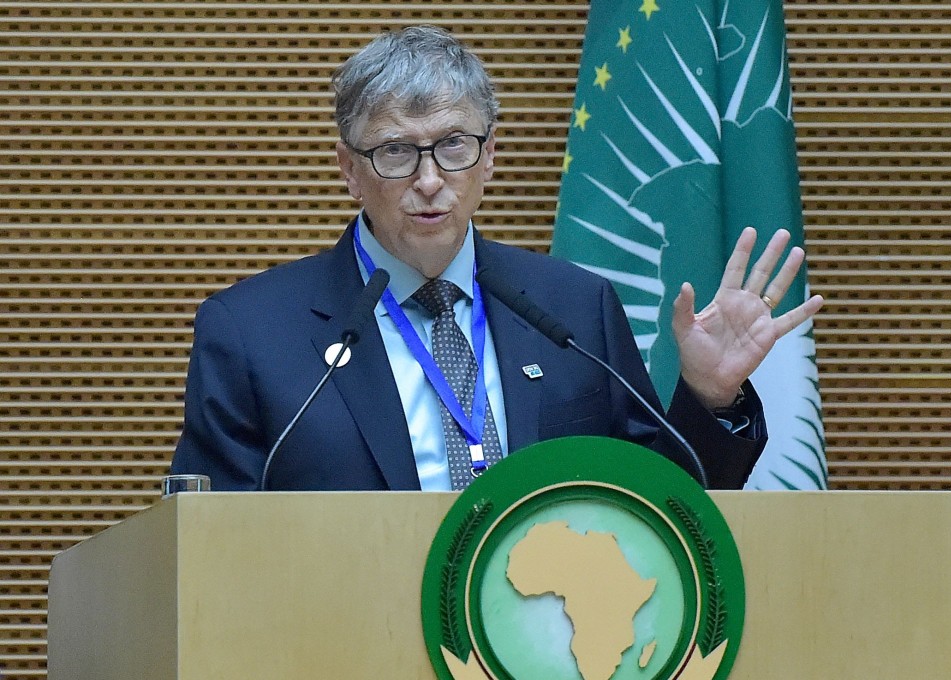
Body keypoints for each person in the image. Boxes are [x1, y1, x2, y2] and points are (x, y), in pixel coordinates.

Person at [170, 25, 823, 491]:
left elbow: (657, 507)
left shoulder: (575, 308)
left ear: (490, 157)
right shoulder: (252, 332)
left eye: (453, 145)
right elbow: (211, 544)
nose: (430, 179)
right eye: (396, 151)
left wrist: (710, 398)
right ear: (349, 168)